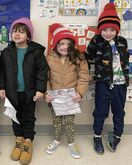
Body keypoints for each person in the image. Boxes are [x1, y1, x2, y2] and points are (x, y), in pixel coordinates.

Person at [0, 17, 48, 165]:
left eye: (21, 31)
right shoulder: (7, 52)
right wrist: (1, 87)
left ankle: (28, 142)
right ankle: (18, 139)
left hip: (30, 93)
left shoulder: (36, 52)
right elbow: (1, 72)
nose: (17, 34)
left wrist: (40, 90)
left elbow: (42, 72)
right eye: (14, 31)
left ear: (28, 35)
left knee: (28, 117)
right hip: (12, 93)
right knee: (15, 117)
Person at [85, 3, 130, 155]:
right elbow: (86, 57)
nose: (108, 33)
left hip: (120, 85)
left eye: (112, 30)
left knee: (119, 112)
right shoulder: (96, 41)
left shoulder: (122, 41)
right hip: (103, 84)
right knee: (100, 112)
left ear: (117, 30)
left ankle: (117, 136)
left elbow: (125, 60)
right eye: (104, 29)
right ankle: (97, 137)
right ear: (100, 29)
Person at [45, 23, 91, 159]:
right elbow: (44, 77)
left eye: (68, 43)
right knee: (57, 120)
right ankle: (56, 140)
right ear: (56, 45)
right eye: (61, 44)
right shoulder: (49, 58)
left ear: (72, 45)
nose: (65, 47)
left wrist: (80, 92)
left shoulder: (79, 58)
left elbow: (84, 76)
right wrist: (47, 92)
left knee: (69, 122)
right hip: (55, 98)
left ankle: (71, 142)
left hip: (71, 98)